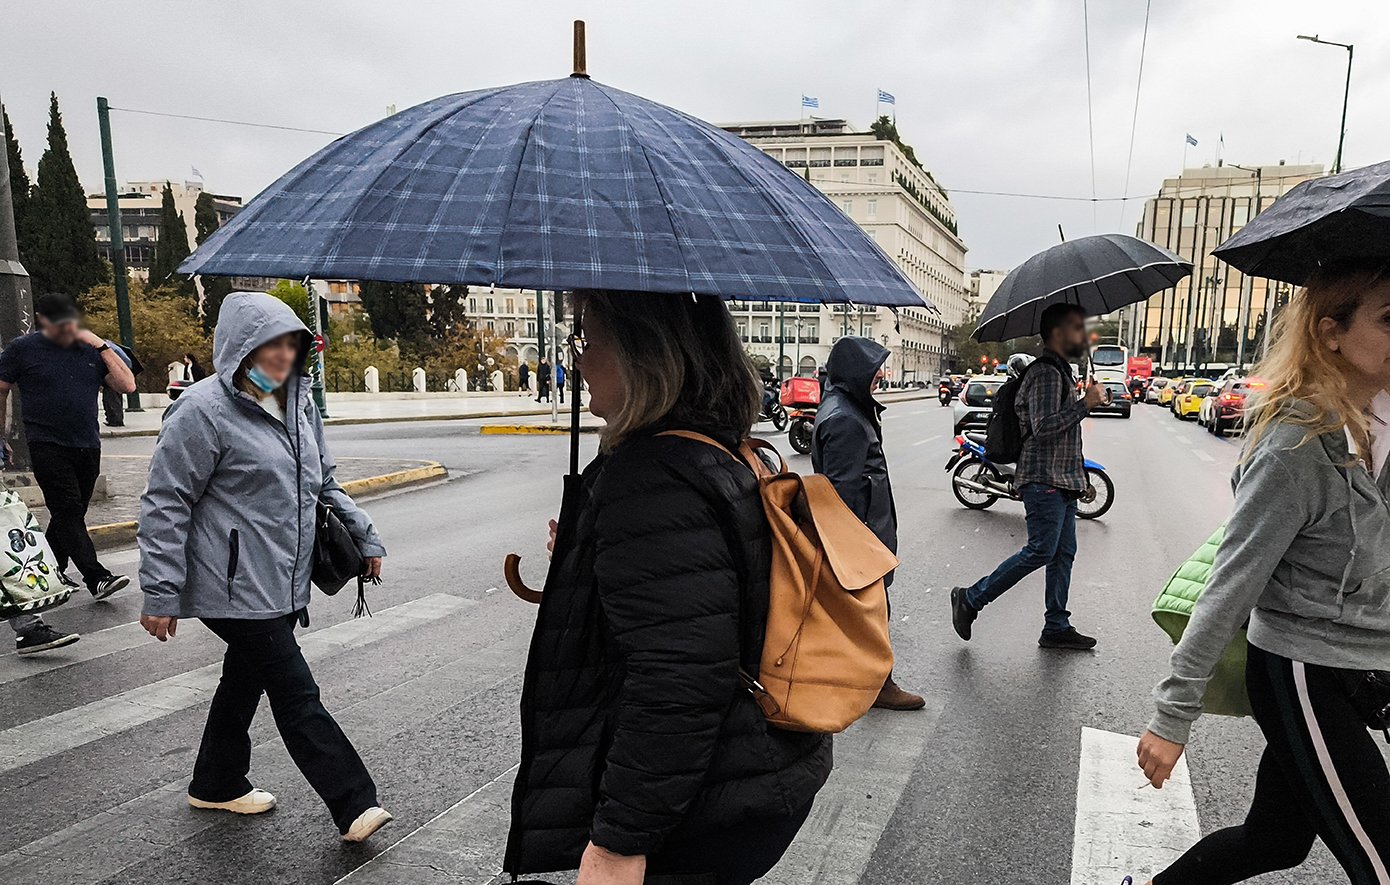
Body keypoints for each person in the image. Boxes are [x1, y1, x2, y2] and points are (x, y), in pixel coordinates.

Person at [505, 290, 831, 885]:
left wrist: (618, 844)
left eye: (587, 339)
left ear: (639, 354)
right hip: (759, 772)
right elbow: (711, 598)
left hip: (701, 807)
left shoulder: (653, 477)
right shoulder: (720, 451)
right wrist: (590, 555)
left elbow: (677, 675)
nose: (577, 360)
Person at [1135, 261, 1390, 885]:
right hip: (1305, 669)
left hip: (1372, 663)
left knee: (1274, 840)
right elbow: (1232, 582)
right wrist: (1173, 716)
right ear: (1331, 333)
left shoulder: (1381, 425)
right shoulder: (1295, 448)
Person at [137, 292, 392, 844]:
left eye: (291, 344)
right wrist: (160, 591)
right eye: (269, 345)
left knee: (245, 675)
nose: (281, 356)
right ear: (240, 348)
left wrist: (365, 536)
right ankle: (353, 802)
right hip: (227, 580)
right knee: (294, 689)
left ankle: (216, 780)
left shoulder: (297, 405)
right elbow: (166, 500)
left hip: (279, 574)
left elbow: (323, 483)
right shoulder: (201, 409)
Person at [950, 303, 1105, 650]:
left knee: (1063, 554)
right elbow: (1044, 427)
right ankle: (971, 599)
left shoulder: (1061, 371)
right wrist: (1084, 405)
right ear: (1058, 335)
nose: (1084, 337)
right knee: (1040, 550)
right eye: (1077, 329)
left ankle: (1056, 626)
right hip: (1044, 479)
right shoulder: (1046, 374)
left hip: (1062, 479)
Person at [0, 293, 136, 653]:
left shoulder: (91, 349)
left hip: (87, 443)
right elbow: (0, 388)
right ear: (42, 319)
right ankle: (96, 577)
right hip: (46, 443)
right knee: (67, 508)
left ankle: (52, 576)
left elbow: (127, 386)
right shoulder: (23, 349)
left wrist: (102, 344)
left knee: (70, 513)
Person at [811, 337, 923, 711]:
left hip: (865, 529)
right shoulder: (844, 418)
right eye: (872, 370)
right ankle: (878, 685)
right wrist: (854, 543)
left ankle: (856, 680)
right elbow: (841, 490)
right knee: (873, 611)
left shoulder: (847, 408)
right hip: (861, 534)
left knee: (865, 610)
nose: (878, 377)